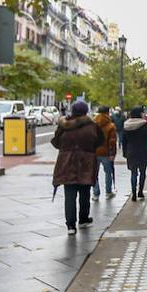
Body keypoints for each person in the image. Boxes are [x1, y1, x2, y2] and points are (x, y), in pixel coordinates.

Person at [51, 100, 104, 235]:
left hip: (67, 163)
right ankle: (83, 219)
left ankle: (70, 225)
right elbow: (100, 141)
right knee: (84, 192)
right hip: (85, 162)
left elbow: (56, 142)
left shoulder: (64, 125)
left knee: (69, 195)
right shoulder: (92, 126)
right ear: (86, 111)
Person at [122, 106, 147, 200]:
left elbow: (124, 141)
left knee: (133, 173)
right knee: (143, 172)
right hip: (143, 151)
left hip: (131, 151)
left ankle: (134, 194)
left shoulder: (126, 125)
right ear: (139, 114)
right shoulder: (144, 124)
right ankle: (140, 191)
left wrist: (125, 152)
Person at [93, 105, 118, 199]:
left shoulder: (93, 124)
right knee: (108, 172)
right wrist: (112, 153)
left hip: (94, 152)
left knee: (94, 173)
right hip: (106, 152)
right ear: (107, 113)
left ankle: (95, 193)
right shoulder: (110, 125)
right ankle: (108, 192)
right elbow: (112, 141)